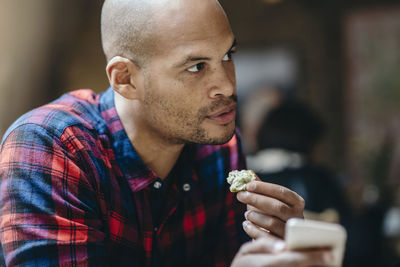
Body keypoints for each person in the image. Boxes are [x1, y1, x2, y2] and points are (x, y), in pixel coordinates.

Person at [0, 0, 334, 266]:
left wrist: (282, 245)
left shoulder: (222, 150)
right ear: (126, 79)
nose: (228, 86)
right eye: (196, 67)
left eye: (228, 55)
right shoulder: (52, 147)